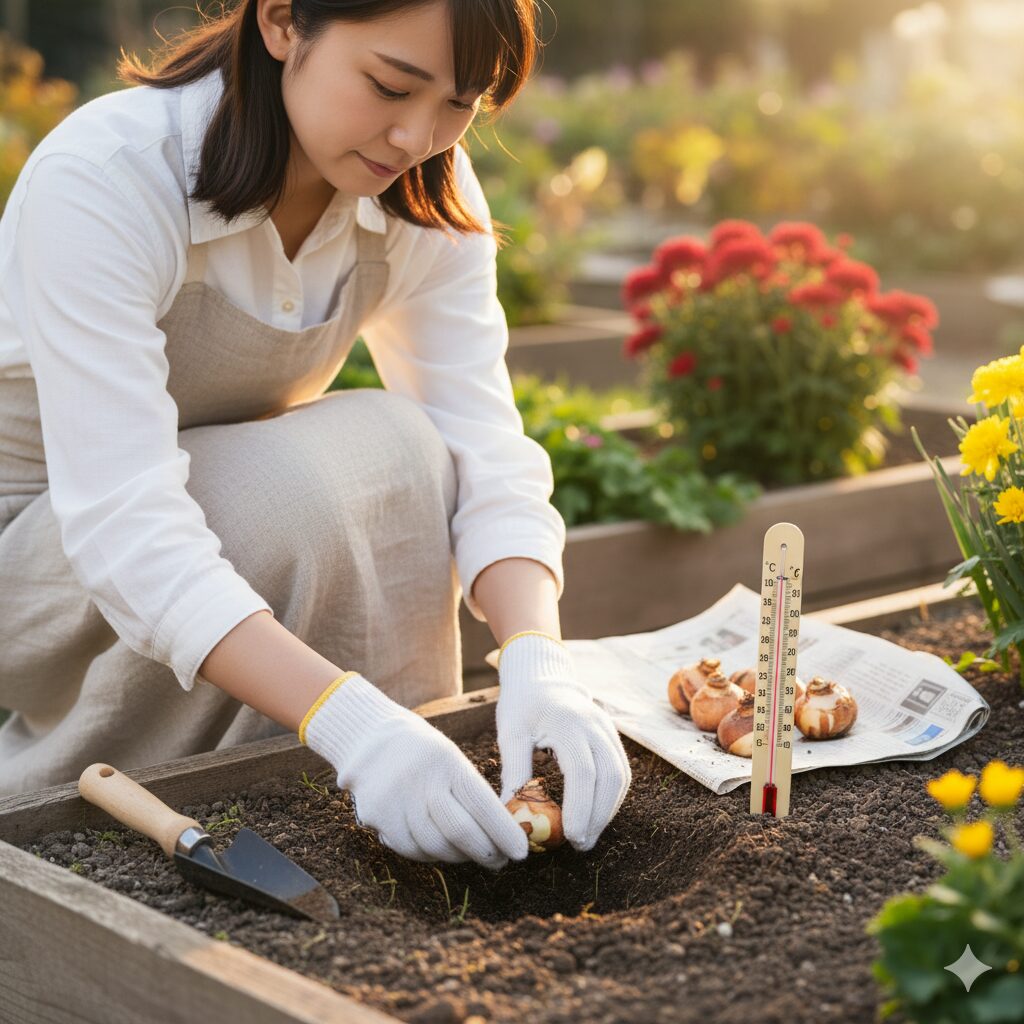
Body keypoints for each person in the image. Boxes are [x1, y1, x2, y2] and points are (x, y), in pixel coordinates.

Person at [0, 0, 631, 868]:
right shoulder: (108, 176)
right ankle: (132, 795)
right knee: (286, 498)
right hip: (36, 563)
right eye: (389, 85)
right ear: (284, 22)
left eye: (460, 105)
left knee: (403, 447)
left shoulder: (422, 195)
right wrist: (354, 722)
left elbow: (480, 441)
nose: (417, 136)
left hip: (206, 522)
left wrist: (535, 654)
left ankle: (383, 800)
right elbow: (124, 522)